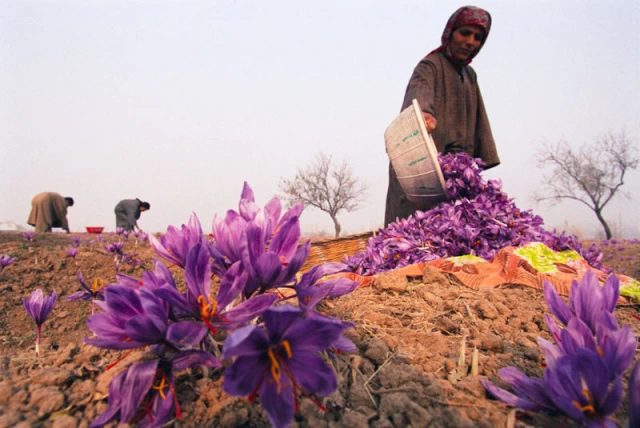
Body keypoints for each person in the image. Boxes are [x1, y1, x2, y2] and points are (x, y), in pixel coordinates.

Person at [385, 5, 501, 227]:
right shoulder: (430, 66)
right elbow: (419, 93)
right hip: (422, 172)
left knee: (454, 234)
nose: (470, 42)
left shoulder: (469, 75)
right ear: (450, 32)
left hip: (456, 173)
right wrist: (423, 115)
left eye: (478, 37)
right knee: (411, 233)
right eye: (464, 33)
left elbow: (479, 122)